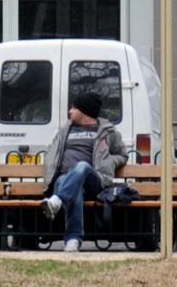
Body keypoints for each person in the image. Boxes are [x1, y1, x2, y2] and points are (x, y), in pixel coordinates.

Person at [40, 99, 125, 252]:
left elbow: (122, 155)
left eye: (74, 108)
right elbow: (51, 151)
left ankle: (57, 200)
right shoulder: (65, 130)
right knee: (74, 189)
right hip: (65, 178)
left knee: (82, 166)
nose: (70, 111)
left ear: (84, 111)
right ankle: (72, 240)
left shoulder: (106, 131)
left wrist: (110, 161)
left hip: (94, 180)